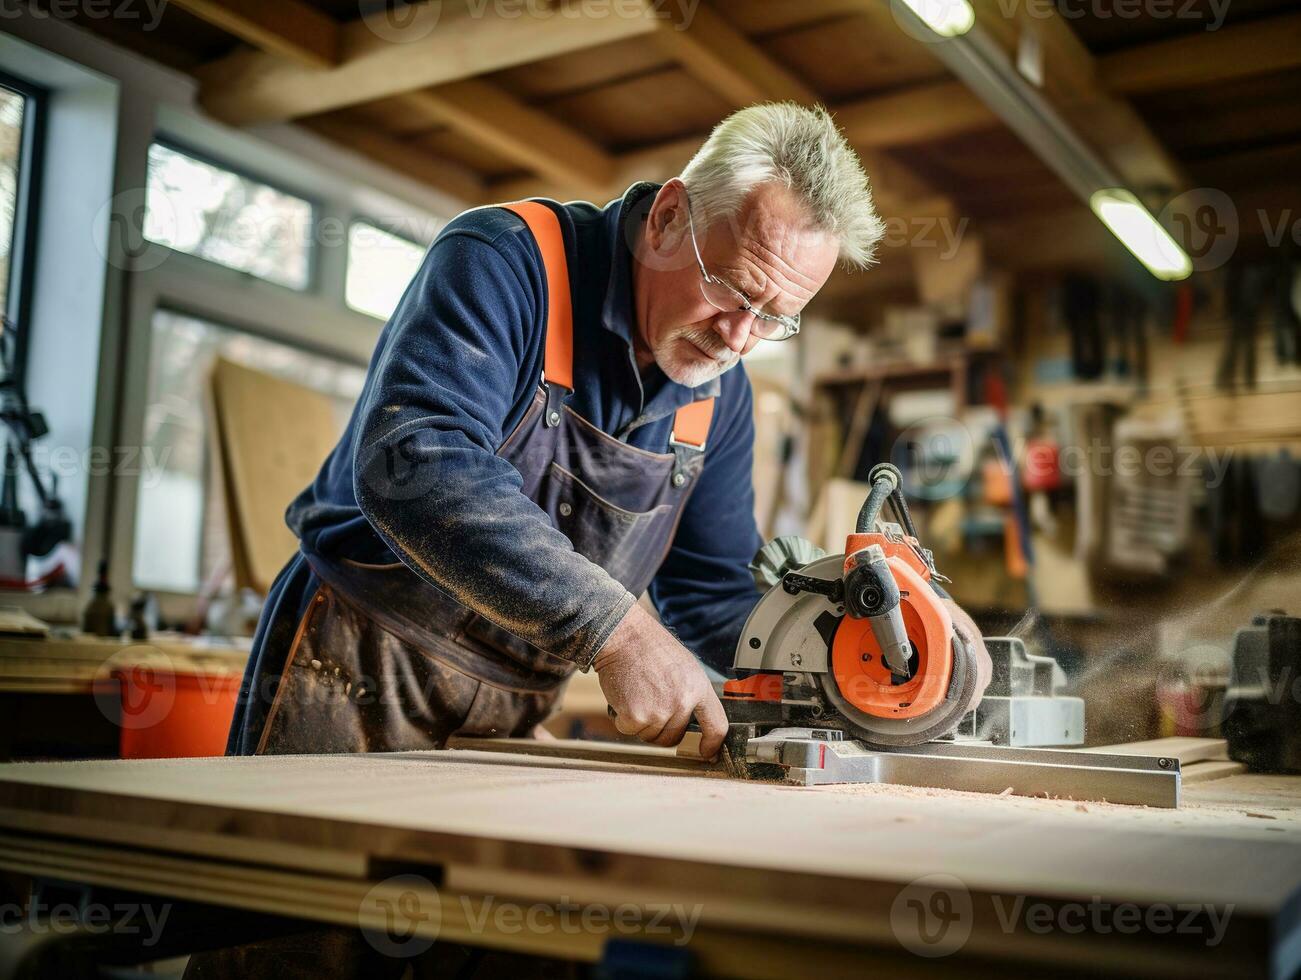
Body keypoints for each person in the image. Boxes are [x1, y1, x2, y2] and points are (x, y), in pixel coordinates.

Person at [225, 101, 988, 768]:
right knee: (293, 923)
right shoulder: (508, 262)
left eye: (775, 318)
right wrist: (618, 633)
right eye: (730, 288)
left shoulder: (718, 397)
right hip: (359, 666)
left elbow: (708, 596)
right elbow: (417, 464)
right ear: (665, 218)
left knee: (455, 928)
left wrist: (847, 648)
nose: (738, 337)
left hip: (509, 713)